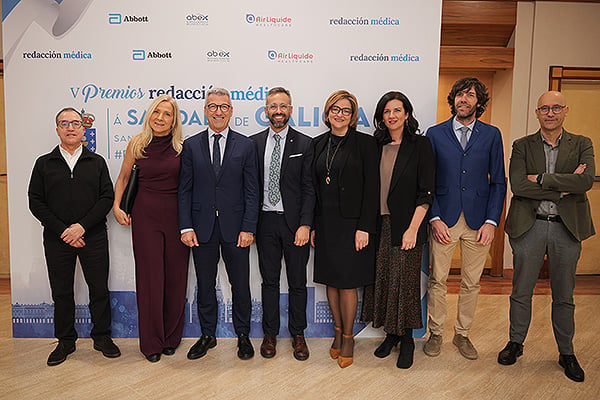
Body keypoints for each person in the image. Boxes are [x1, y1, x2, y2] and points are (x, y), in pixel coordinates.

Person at [498, 91, 594, 383]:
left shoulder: (582, 144)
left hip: (567, 228)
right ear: (537, 113)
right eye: (544, 108)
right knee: (521, 291)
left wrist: (539, 178)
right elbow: (517, 184)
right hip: (531, 225)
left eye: (555, 108)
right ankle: (516, 343)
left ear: (565, 111)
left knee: (564, 294)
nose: (550, 113)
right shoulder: (522, 145)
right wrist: (563, 186)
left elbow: (585, 181)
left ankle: (566, 352)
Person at [28, 107, 121, 366]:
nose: (70, 127)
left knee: (99, 289)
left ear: (83, 129)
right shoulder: (44, 163)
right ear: (57, 129)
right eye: (64, 123)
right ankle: (65, 341)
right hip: (57, 239)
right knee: (62, 292)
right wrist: (63, 231)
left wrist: (81, 227)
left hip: (93, 237)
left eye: (75, 123)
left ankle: (102, 337)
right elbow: (35, 201)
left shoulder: (97, 162)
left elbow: (106, 198)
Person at [424, 77, 506, 360]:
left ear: (478, 102)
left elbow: (498, 182)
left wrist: (492, 222)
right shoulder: (434, 134)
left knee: (471, 281)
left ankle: (462, 334)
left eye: (470, 95)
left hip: (479, 221)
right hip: (443, 219)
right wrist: (433, 216)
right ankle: (435, 333)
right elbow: (427, 181)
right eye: (459, 94)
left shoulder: (492, 135)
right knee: (438, 279)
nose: (463, 99)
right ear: (453, 100)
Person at [179, 87, 259, 360]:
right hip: (201, 229)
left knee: (241, 285)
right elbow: (184, 190)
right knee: (205, 284)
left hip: (236, 229)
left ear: (231, 111)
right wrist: (185, 226)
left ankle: (243, 336)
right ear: (205, 111)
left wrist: (249, 227)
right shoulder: (191, 145)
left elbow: (252, 190)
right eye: (213, 106)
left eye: (224, 106)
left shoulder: (246, 145)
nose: (218, 111)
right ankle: (207, 335)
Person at [113, 95, 190, 363]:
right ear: (150, 114)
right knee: (150, 279)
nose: (160, 117)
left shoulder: (182, 147)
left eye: (167, 114)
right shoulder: (137, 143)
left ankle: (171, 338)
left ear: (174, 120)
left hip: (177, 218)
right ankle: (151, 343)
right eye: (157, 112)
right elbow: (123, 177)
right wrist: (116, 205)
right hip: (145, 217)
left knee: (176, 279)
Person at [361, 91, 435, 369]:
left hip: (407, 225)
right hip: (379, 224)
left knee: (404, 284)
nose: (391, 116)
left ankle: (407, 341)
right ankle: (390, 336)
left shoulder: (420, 145)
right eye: (387, 111)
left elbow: (426, 191)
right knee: (383, 281)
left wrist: (413, 229)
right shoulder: (375, 145)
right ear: (381, 117)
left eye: (397, 110)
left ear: (407, 114)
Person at [311, 90, 378, 368]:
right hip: (326, 224)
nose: (340, 114)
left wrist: (364, 227)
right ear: (327, 113)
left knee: (348, 283)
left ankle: (349, 337)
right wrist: (314, 226)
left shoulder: (365, 144)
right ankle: (337, 333)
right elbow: (313, 189)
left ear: (353, 117)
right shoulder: (317, 144)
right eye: (335, 109)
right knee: (331, 280)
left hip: (353, 225)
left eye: (346, 111)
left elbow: (372, 189)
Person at [251, 87, 315, 361]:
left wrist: (305, 225)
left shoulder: (305, 144)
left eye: (283, 106)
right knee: (269, 282)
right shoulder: (252, 143)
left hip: (294, 226)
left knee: (298, 282)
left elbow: (310, 188)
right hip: (265, 223)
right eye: (273, 106)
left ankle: (298, 335)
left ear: (290, 110)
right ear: (266, 111)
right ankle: (270, 334)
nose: (278, 111)